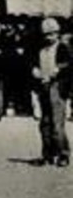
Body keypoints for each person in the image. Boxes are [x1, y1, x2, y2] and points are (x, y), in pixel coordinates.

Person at [31, 17, 71, 167]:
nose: (48, 38)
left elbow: (68, 64)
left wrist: (58, 70)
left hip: (57, 86)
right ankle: (48, 153)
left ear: (57, 34)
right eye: (46, 35)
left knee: (57, 123)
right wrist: (34, 70)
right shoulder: (41, 50)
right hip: (44, 85)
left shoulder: (63, 47)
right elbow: (34, 63)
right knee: (45, 122)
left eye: (52, 34)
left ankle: (63, 153)